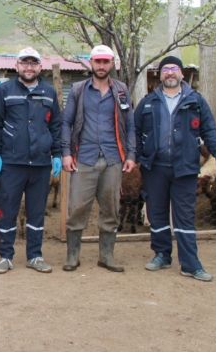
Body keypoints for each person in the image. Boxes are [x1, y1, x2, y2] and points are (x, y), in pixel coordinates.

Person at [135, 56, 216, 282]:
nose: (170, 72)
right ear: (160, 75)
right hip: (155, 167)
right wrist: (135, 158)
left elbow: (209, 129)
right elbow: (135, 132)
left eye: (174, 68)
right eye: (165, 69)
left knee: (184, 216)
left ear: (181, 73)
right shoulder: (149, 102)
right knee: (156, 213)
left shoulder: (195, 101)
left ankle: (190, 264)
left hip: (184, 167)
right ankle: (162, 254)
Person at [61, 44, 136, 272]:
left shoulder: (121, 90)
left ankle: (106, 256)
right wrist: (66, 153)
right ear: (91, 63)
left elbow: (130, 124)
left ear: (112, 64)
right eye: (98, 61)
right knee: (77, 208)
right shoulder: (78, 90)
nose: (101, 66)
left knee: (111, 208)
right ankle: (72, 256)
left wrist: (131, 154)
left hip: (113, 159)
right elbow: (66, 122)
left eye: (106, 62)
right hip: (84, 158)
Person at [0, 47, 62, 274]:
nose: (29, 67)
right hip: (12, 163)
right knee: (7, 210)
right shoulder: (5, 91)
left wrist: (57, 153)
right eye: (24, 63)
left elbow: (56, 125)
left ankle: (35, 255)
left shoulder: (49, 92)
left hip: (40, 164)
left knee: (36, 212)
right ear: (17, 66)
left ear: (40, 67)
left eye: (33, 63)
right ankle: (5, 256)